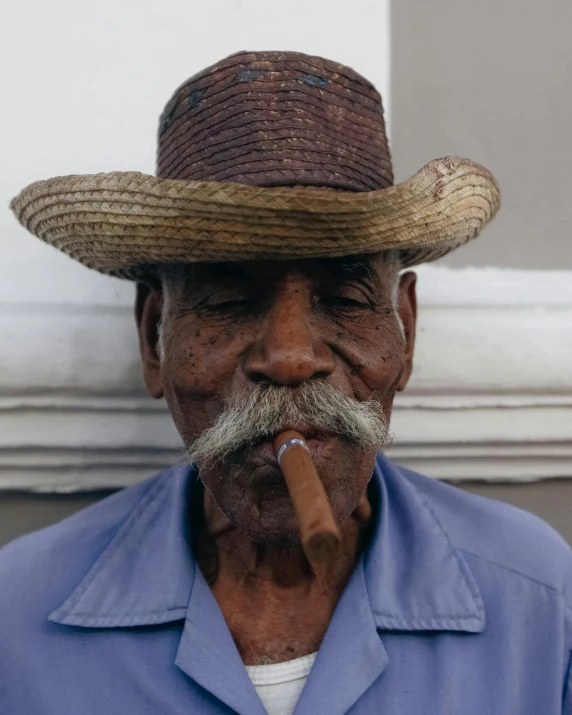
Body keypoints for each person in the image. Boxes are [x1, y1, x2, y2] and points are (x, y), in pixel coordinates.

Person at [2, 50, 571, 715]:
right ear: (154, 336)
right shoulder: (17, 618)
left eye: (347, 297)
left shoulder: (539, 602)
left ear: (405, 333)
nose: (292, 357)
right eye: (226, 299)